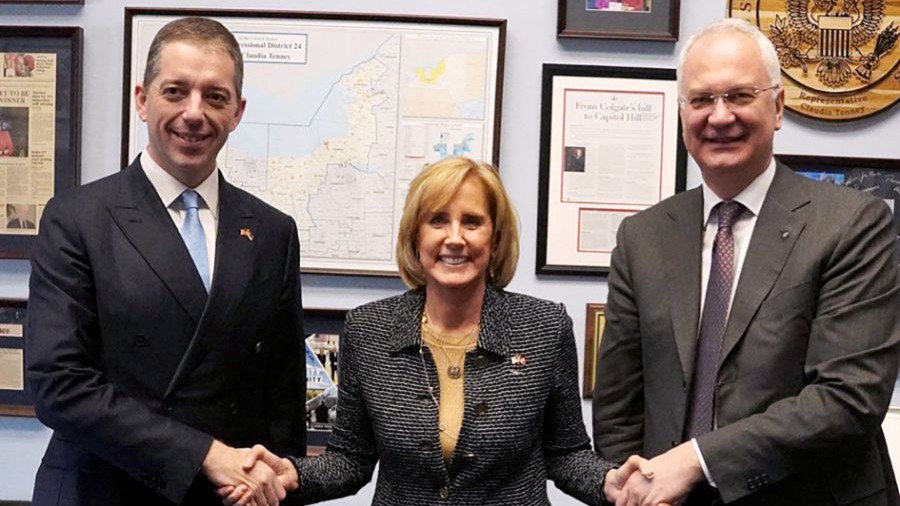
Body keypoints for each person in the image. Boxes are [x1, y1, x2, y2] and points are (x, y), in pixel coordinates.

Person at [592, 17, 900, 506]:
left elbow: (848, 397)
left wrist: (696, 460)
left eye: (739, 95)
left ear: (777, 107)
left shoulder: (851, 223)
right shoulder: (642, 237)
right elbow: (618, 409)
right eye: (701, 100)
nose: (719, 117)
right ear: (682, 115)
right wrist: (630, 489)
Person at [222, 156, 647, 506]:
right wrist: (293, 473)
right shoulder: (368, 330)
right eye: (438, 220)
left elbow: (566, 454)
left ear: (495, 239)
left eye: (472, 222)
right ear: (415, 236)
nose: (455, 238)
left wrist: (608, 482)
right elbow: (350, 461)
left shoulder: (543, 327)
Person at [26, 17, 304, 506]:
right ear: (142, 99)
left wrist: (276, 482)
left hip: (229, 498)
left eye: (215, 97)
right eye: (175, 91)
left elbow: (282, 402)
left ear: (237, 112)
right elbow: (59, 385)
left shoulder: (272, 231)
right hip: (102, 491)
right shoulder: (77, 218)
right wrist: (205, 455)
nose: (194, 113)